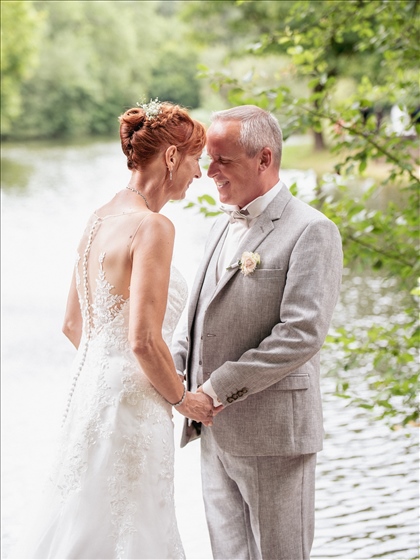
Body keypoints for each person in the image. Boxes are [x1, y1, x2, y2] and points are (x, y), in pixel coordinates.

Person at [16, 100, 216, 560]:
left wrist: (108, 372)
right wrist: (182, 399)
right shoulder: (153, 227)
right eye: (195, 160)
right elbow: (143, 340)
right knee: (134, 528)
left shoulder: (98, 219)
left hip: (89, 393)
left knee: (86, 519)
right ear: (170, 158)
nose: (199, 174)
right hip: (134, 407)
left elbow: (72, 325)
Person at [172, 105, 343, 560]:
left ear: (264, 159)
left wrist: (216, 389)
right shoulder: (217, 225)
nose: (210, 172)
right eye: (208, 160)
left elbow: (301, 334)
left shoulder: (312, 230)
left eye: (223, 160)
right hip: (211, 431)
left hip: (274, 438)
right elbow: (194, 318)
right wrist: (171, 383)